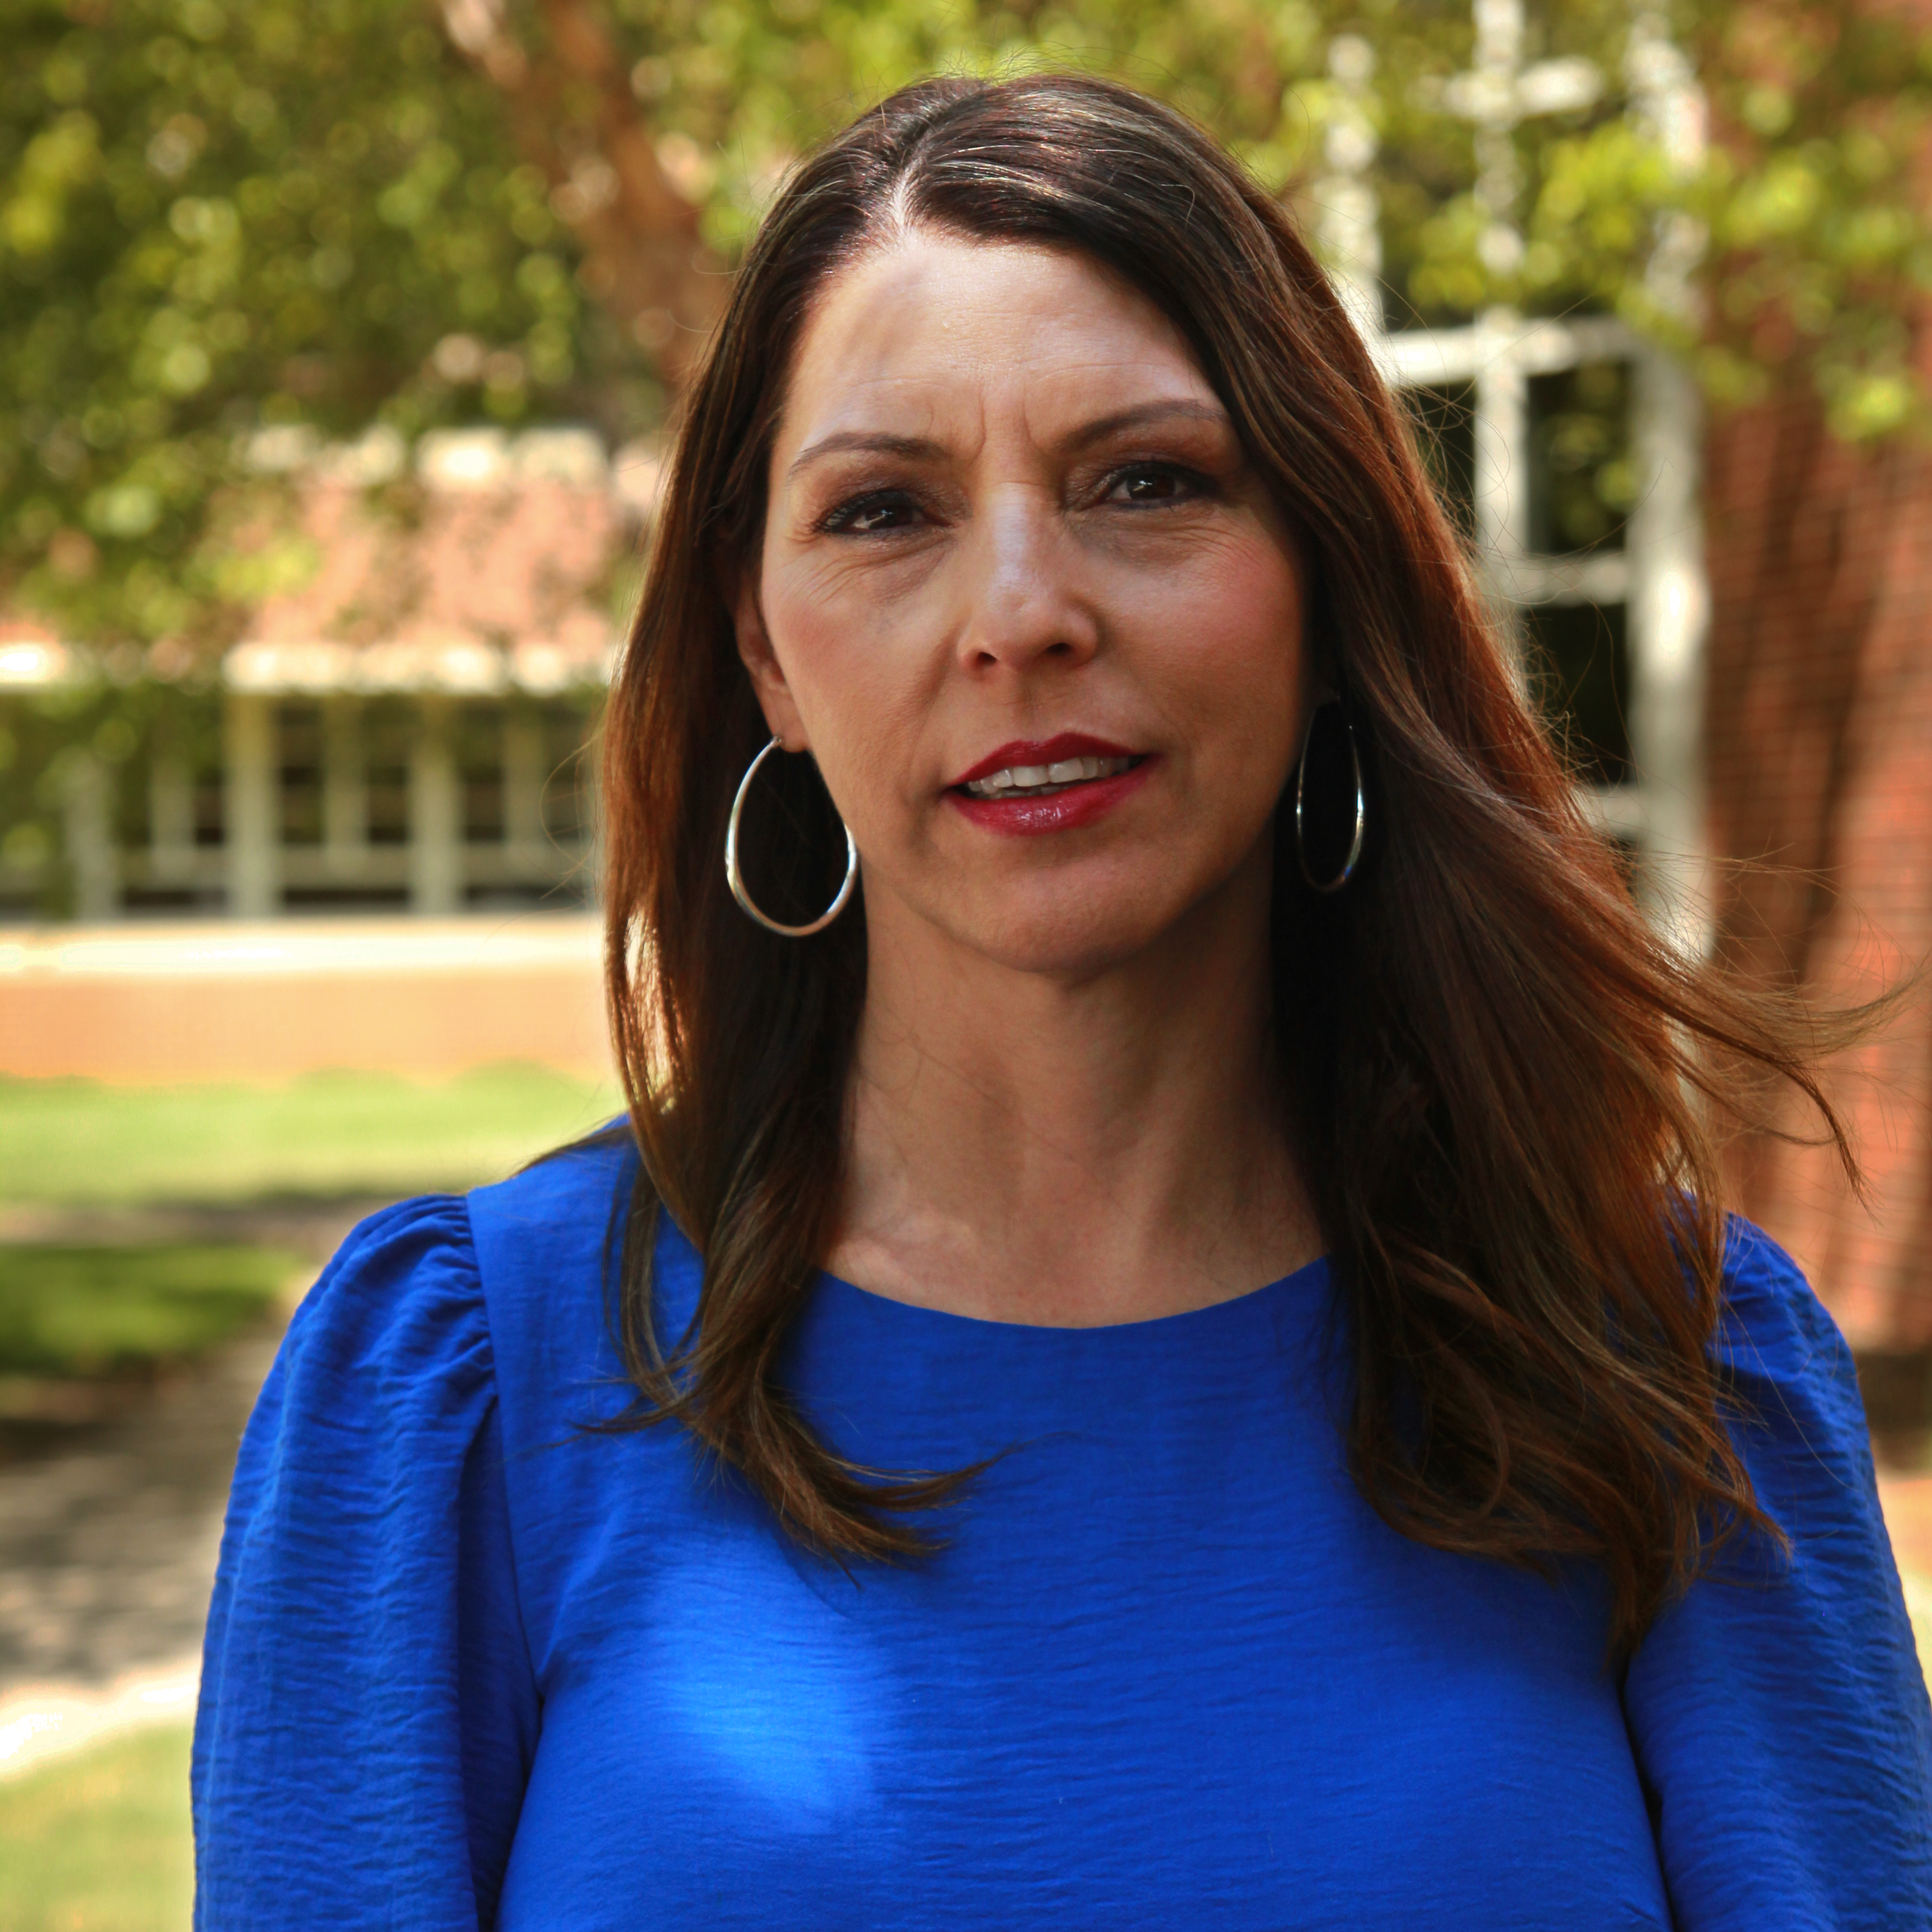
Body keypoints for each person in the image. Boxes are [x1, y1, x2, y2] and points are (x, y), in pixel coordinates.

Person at [192, 74, 1932, 1929]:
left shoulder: (1668, 1375)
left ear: (1326, 578)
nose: (1021, 611)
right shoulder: (461, 1398)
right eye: (883, 511)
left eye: (1147, 481)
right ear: (765, 649)